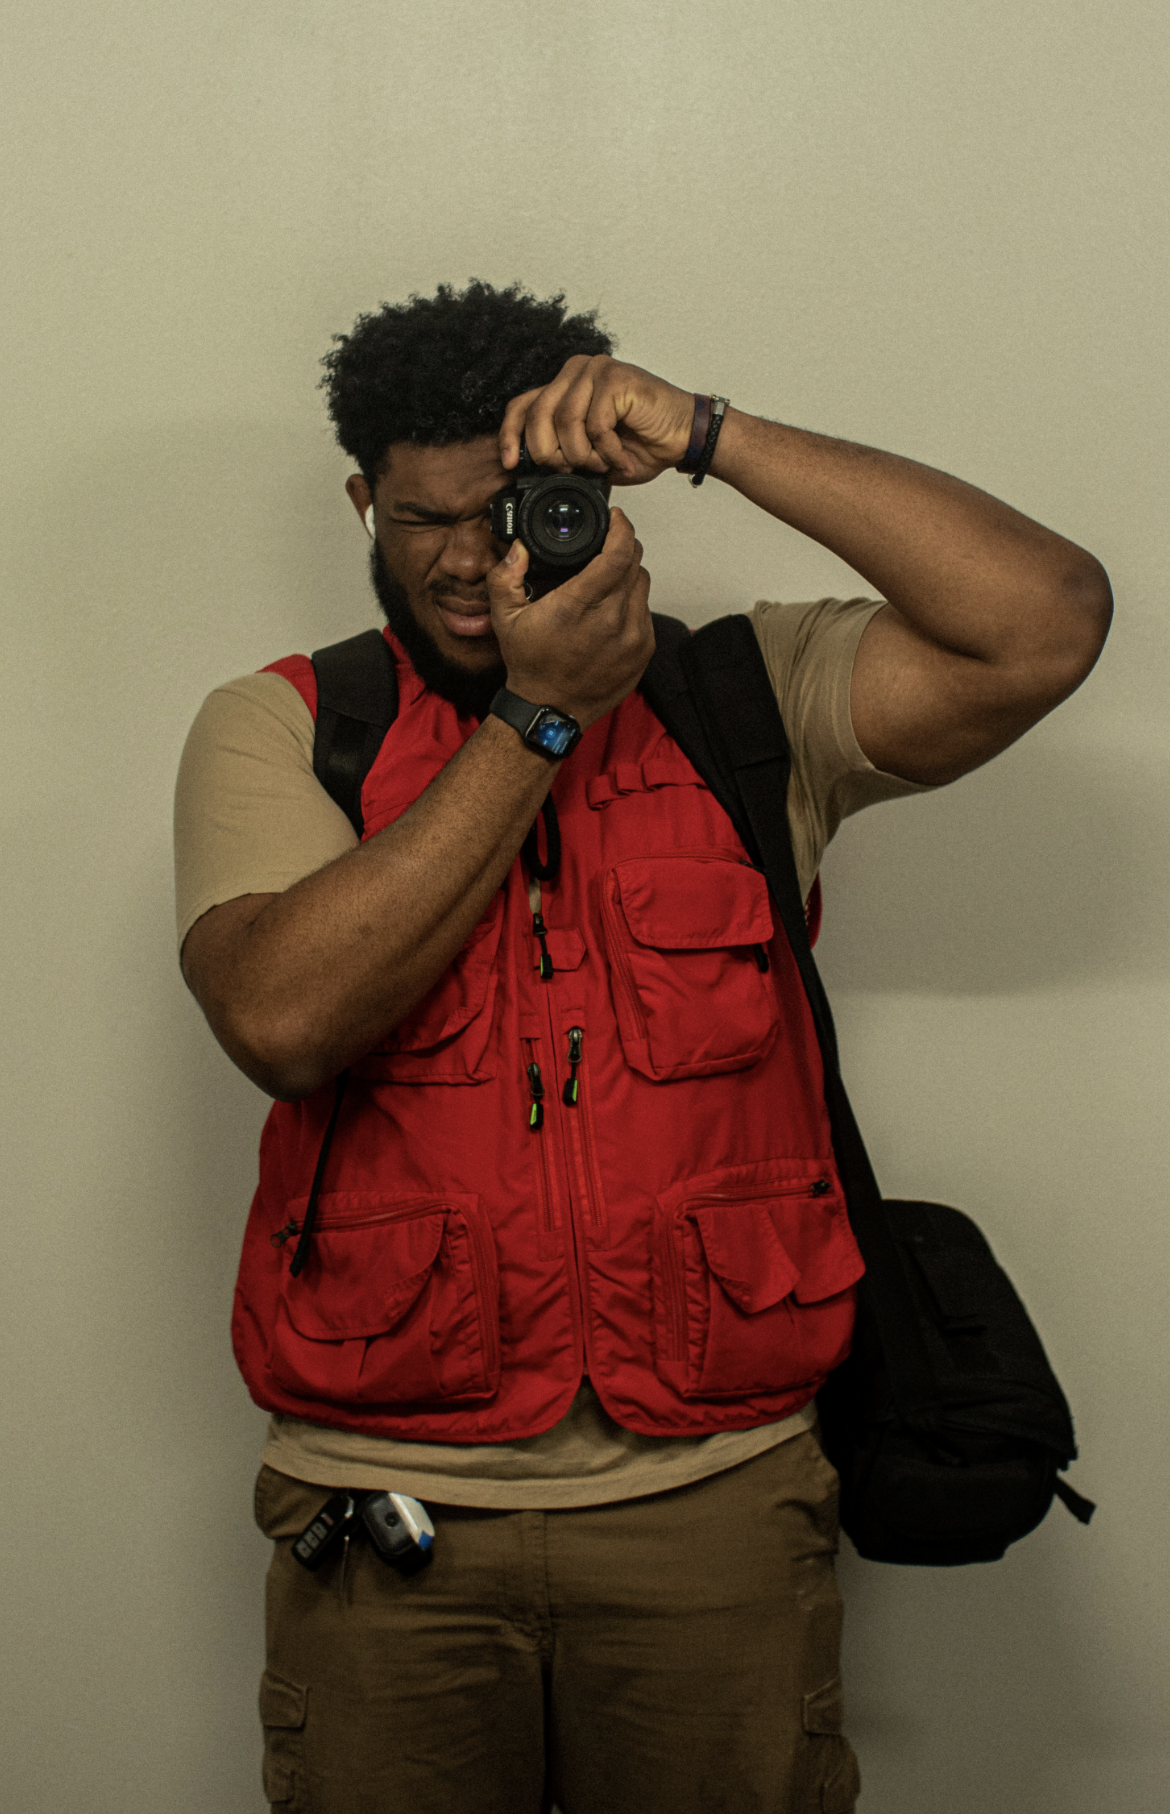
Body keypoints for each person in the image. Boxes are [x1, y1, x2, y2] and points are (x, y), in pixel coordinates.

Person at [174, 280, 1111, 1814]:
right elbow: (281, 1020)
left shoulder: (744, 700)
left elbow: (1044, 620)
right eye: (421, 520)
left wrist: (712, 433)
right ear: (361, 503)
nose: (467, 561)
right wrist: (537, 718)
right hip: (389, 1505)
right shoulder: (290, 724)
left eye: (508, 513)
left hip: (719, 1495)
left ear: (597, 497)